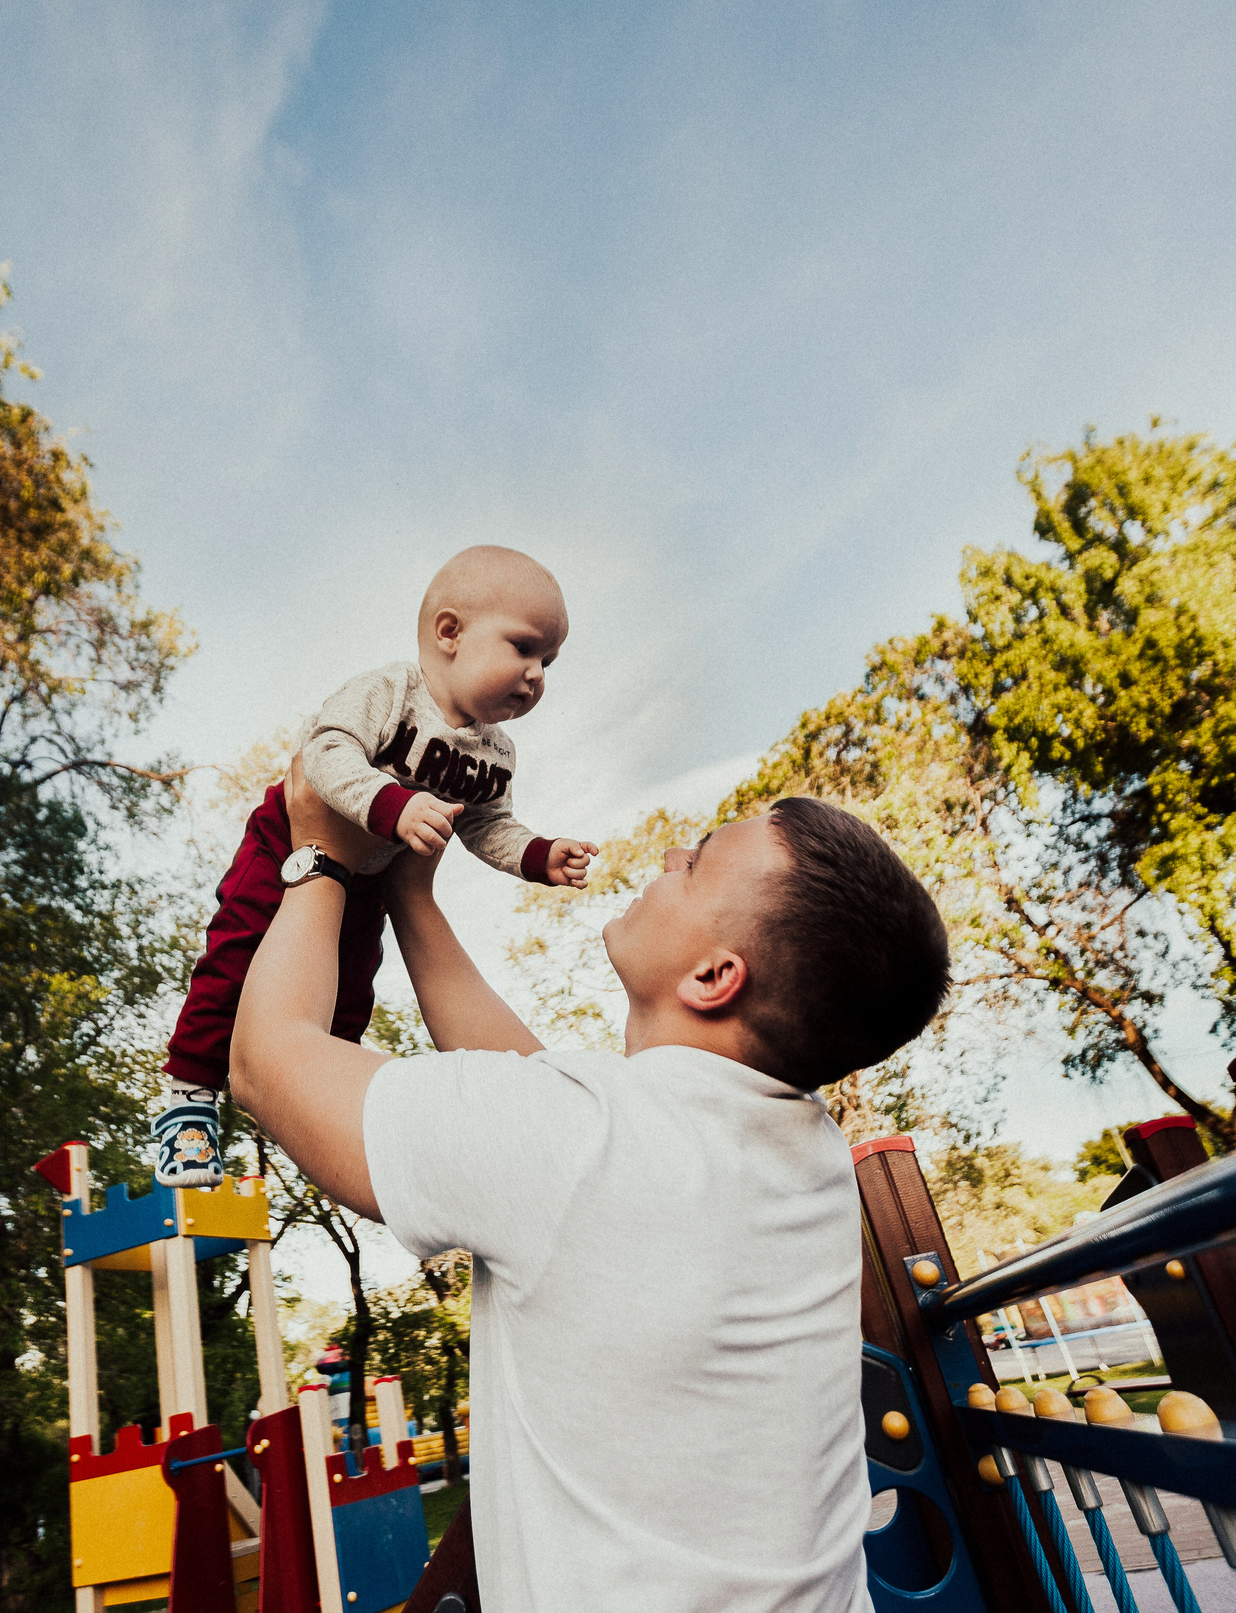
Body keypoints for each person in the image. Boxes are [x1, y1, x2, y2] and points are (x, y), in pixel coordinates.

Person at [232, 761, 949, 1613]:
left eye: (697, 860)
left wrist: (318, 850)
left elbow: (267, 1061)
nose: (673, 851)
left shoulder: (579, 1145)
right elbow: (541, 1101)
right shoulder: (804, 1151)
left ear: (716, 977)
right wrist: (412, 897)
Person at [151, 545, 598, 1185]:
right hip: (286, 843)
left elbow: (487, 824)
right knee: (235, 957)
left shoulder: (495, 753)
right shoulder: (389, 692)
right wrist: (392, 807)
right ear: (450, 633)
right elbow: (326, 751)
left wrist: (537, 856)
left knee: (349, 988)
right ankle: (189, 1097)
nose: (536, 675)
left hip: (368, 881)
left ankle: (310, 1093)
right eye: (524, 648)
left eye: (549, 662)